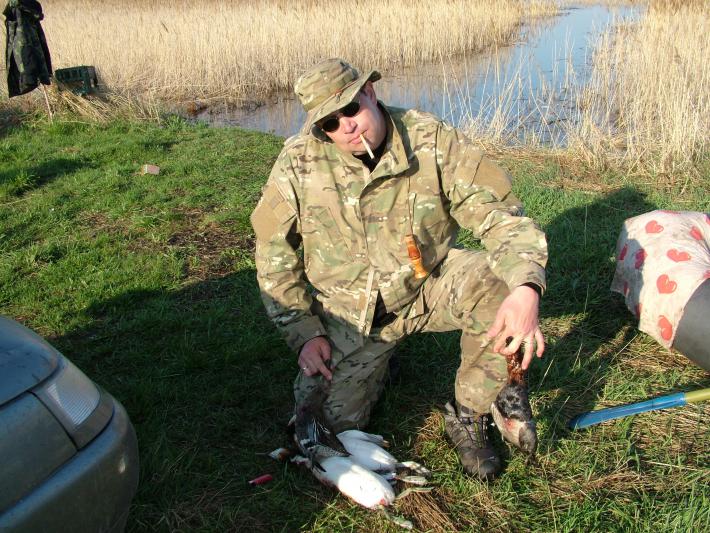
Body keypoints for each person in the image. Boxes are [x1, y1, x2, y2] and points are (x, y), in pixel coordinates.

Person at [251, 58, 548, 480]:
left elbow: (500, 215)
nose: (346, 126)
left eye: (351, 108)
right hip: (351, 314)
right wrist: (304, 332)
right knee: (325, 429)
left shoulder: (431, 139)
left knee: (498, 285)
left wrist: (526, 288)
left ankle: (472, 410)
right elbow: (273, 253)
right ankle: (377, 365)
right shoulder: (298, 163)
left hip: (426, 286)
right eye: (330, 123)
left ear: (370, 93)